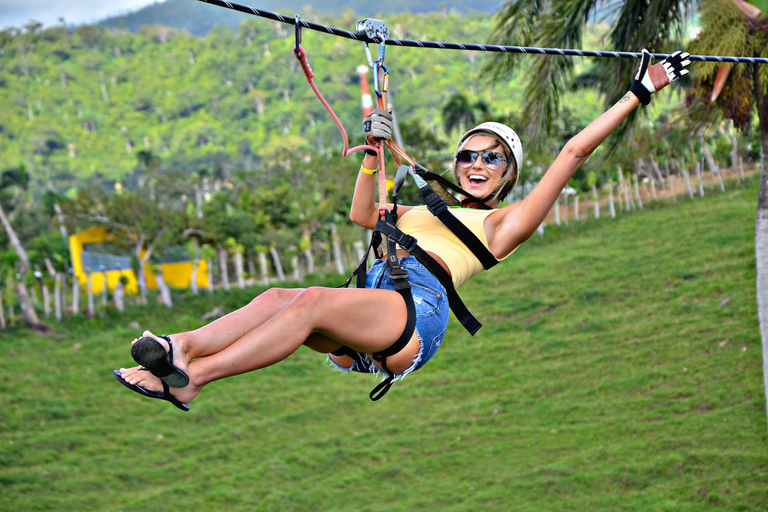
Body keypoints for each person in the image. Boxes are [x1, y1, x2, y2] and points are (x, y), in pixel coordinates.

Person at [115, 49, 690, 411]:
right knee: (277, 297)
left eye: (493, 160)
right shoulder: (423, 207)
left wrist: (642, 89)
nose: (477, 165)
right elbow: (361, 216)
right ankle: (179, 349)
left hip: (419, 309)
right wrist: (372, 154)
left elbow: (573, 150)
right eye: (470, 154)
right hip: (377, 298)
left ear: (510, 177)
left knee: (311, 301)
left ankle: (195, 378)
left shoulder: (502, 224)